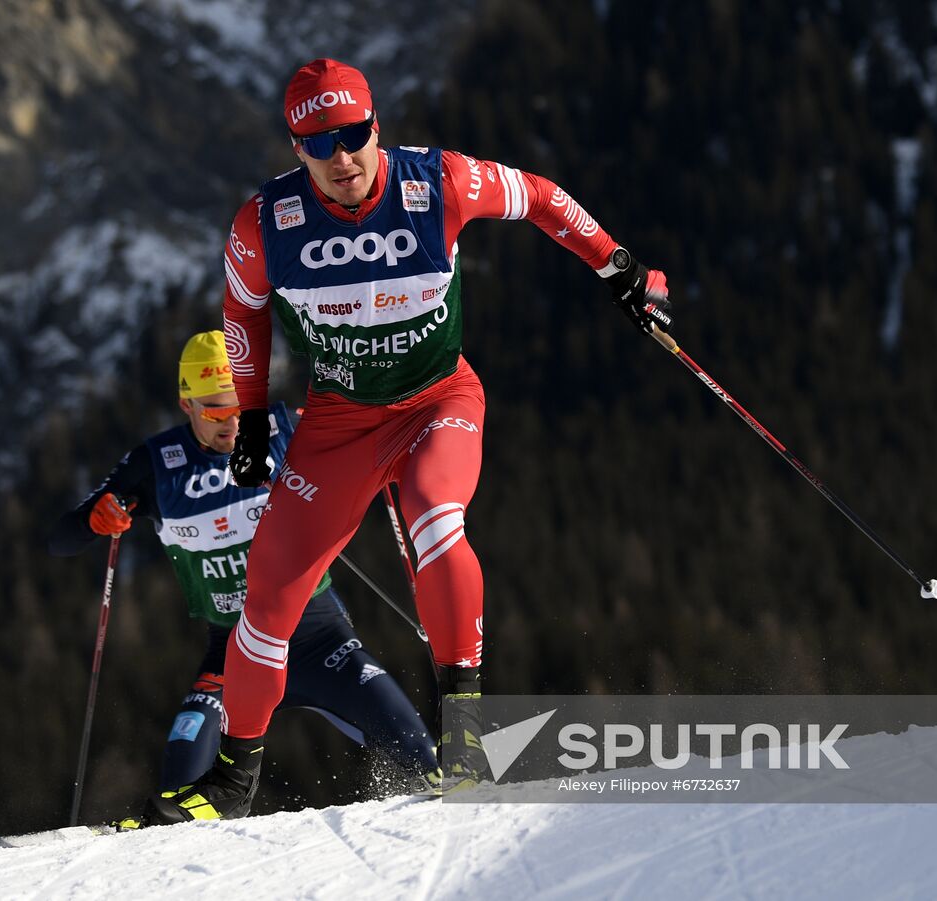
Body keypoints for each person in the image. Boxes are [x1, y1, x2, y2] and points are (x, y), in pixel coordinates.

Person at [146, 59, 670, 824]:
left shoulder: (440, 183)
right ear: (296, 148)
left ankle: (462, 736)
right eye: (320, 142)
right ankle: (234, 778)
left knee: (435, 520)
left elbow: (541, 197)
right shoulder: (265, 224)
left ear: (376, 126)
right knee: (266, 599)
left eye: (354, 134)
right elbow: (242, 315)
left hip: (437, 401)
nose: (342, 156)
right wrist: (254, 416)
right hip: (339, 423)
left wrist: (618, 265)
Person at [48, 330, 439, 823]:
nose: (232, 423)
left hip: (320, 641)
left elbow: (379, 440)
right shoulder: (156, 464)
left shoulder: (283, 428)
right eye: (214, 411)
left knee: (425, 757)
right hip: (232, 656)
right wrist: (96, 518)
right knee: (177, 793)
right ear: (185, 402)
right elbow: (61, 538)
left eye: (239, 407)